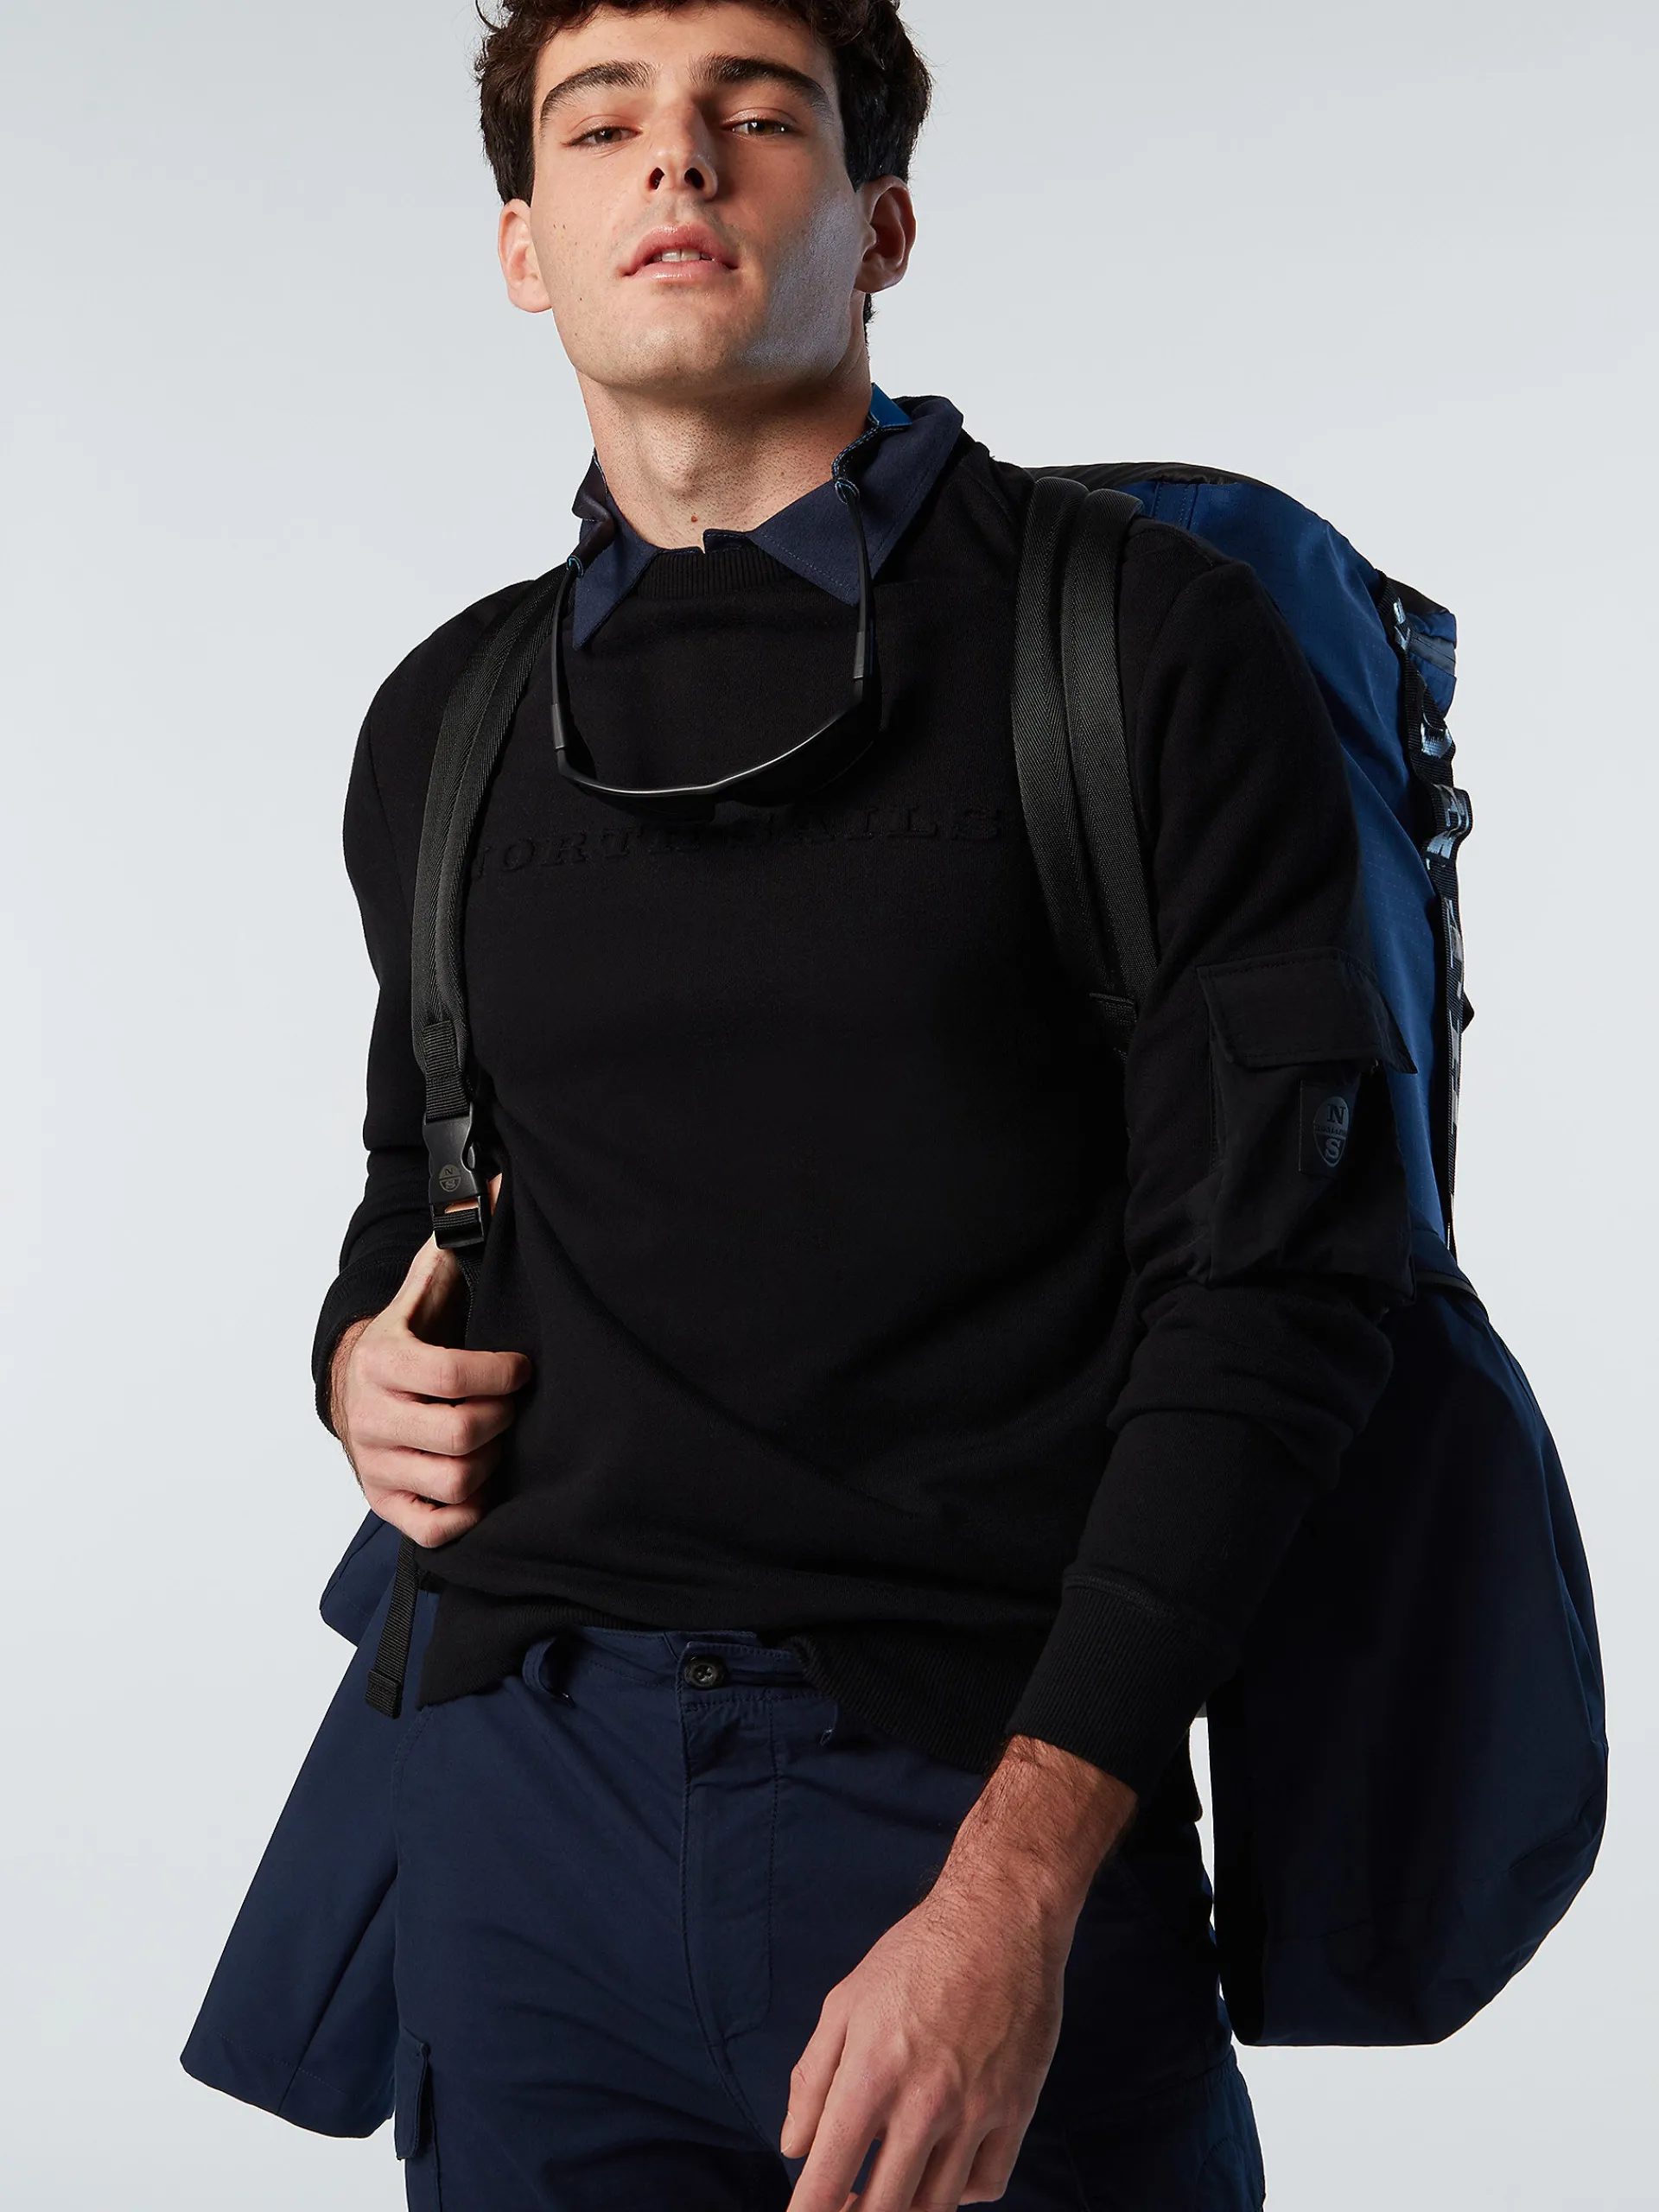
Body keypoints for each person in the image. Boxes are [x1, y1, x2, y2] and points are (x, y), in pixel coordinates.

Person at [318, 3, 1411, 2206]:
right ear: (524, 245)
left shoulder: (1140, 648)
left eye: (757, 116)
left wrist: (1019, 1885)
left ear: (882, 223)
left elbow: (1280, 1292)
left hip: (971, 1799)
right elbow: (415, 1170)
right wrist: (352, 1356)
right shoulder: (449, 714)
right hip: (517, 1826)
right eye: (602, 125)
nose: (677, 163)